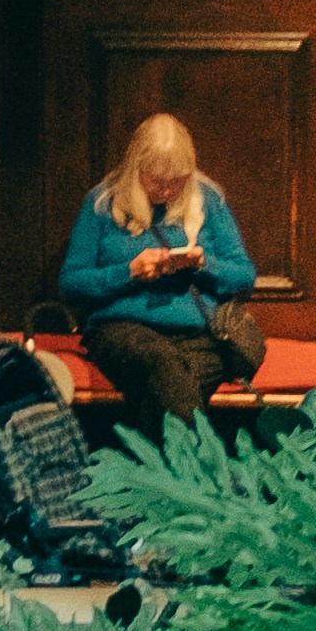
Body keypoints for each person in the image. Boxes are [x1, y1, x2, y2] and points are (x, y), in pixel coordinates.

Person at [58, 113, 268, 429]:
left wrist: (202, 264)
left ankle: (154, 472)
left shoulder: (208, 200)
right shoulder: (102, 203)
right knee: (162, 364)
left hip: (199, 334)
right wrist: (128, 272)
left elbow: (243, 276)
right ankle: (199, 471)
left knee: (173, 386)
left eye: (177, 182)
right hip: (122, 331)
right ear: (135, 168)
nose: (167, 191)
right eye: (156, 180)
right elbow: (72, 284)